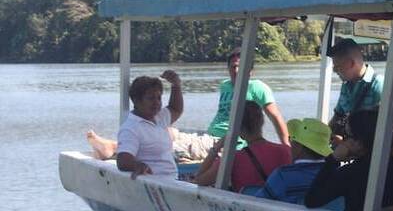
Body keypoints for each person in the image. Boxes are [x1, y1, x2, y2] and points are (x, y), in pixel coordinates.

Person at [87, 48, 289, 160]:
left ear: (250, 69)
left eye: (240, 66)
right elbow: (175, 111)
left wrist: (286, 146)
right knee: (170, 131)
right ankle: (118, 144)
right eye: (232, 66)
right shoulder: (226, 86)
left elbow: (276, 116)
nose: (235, 70)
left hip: (226, 142)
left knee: (162, 146)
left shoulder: (258, 87)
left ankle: (113, 147)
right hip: (210, 135)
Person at [305, 109, 393, 211]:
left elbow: (311, 200)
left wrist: (333, 160)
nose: (344, 141)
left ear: (359, 141)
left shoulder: (350, 173)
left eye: (347, 136)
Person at [193, 101, 291, 191]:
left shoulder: (232, 159)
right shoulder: (286, 151)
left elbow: (199, 181)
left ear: (235, 127)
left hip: (247, 208)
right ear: (262, 121)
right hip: (279, 206)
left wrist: (216, 148)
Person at [116, 71, 183, 179]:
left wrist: (176, 85)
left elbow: (176, 109)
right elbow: (123, 161)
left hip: (174, 179)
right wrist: (138, 166)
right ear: (136, 101)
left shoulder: (160, 116)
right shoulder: (131, 128)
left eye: (159, 98)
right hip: (156, 183)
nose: (157, 102)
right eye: (151, 98)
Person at [256, 118, 333, 204]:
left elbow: (257, 204)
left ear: (298, 146)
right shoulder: (335, 175)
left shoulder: (282, 176)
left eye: (291, 139)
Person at [327, 39, 383, 139]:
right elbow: (337, 117)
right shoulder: (346, 85)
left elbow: (382, 126)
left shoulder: (378, 84)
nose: (335, 71)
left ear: (350, 63)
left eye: (337, 67)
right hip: (350, 146)